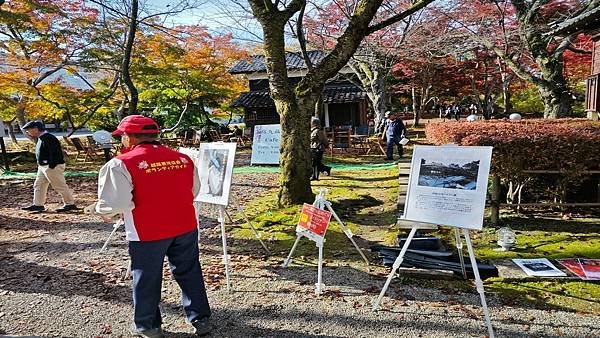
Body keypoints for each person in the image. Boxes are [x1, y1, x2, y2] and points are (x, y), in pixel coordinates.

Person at [94, 115, 212, 338]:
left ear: (129, 137)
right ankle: (201, 318)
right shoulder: (183, 159)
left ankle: (148, 325)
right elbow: (194, 190)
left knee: (146, 276)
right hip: (185, 225)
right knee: (190, 271)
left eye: (123, 137)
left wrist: (105, 212)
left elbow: (116, 203)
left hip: (147, 230)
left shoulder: (121, 163)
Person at [20, 121, 77, 213]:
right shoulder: (41, 138)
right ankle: (38, 205)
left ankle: (70, 204)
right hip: (43, 167)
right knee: (39, 185)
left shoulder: (49, 138)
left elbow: (55, 153)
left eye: (28, 130)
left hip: (52, 166)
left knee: (59, 185)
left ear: (35, 129)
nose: (27, 132)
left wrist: (51, 165)